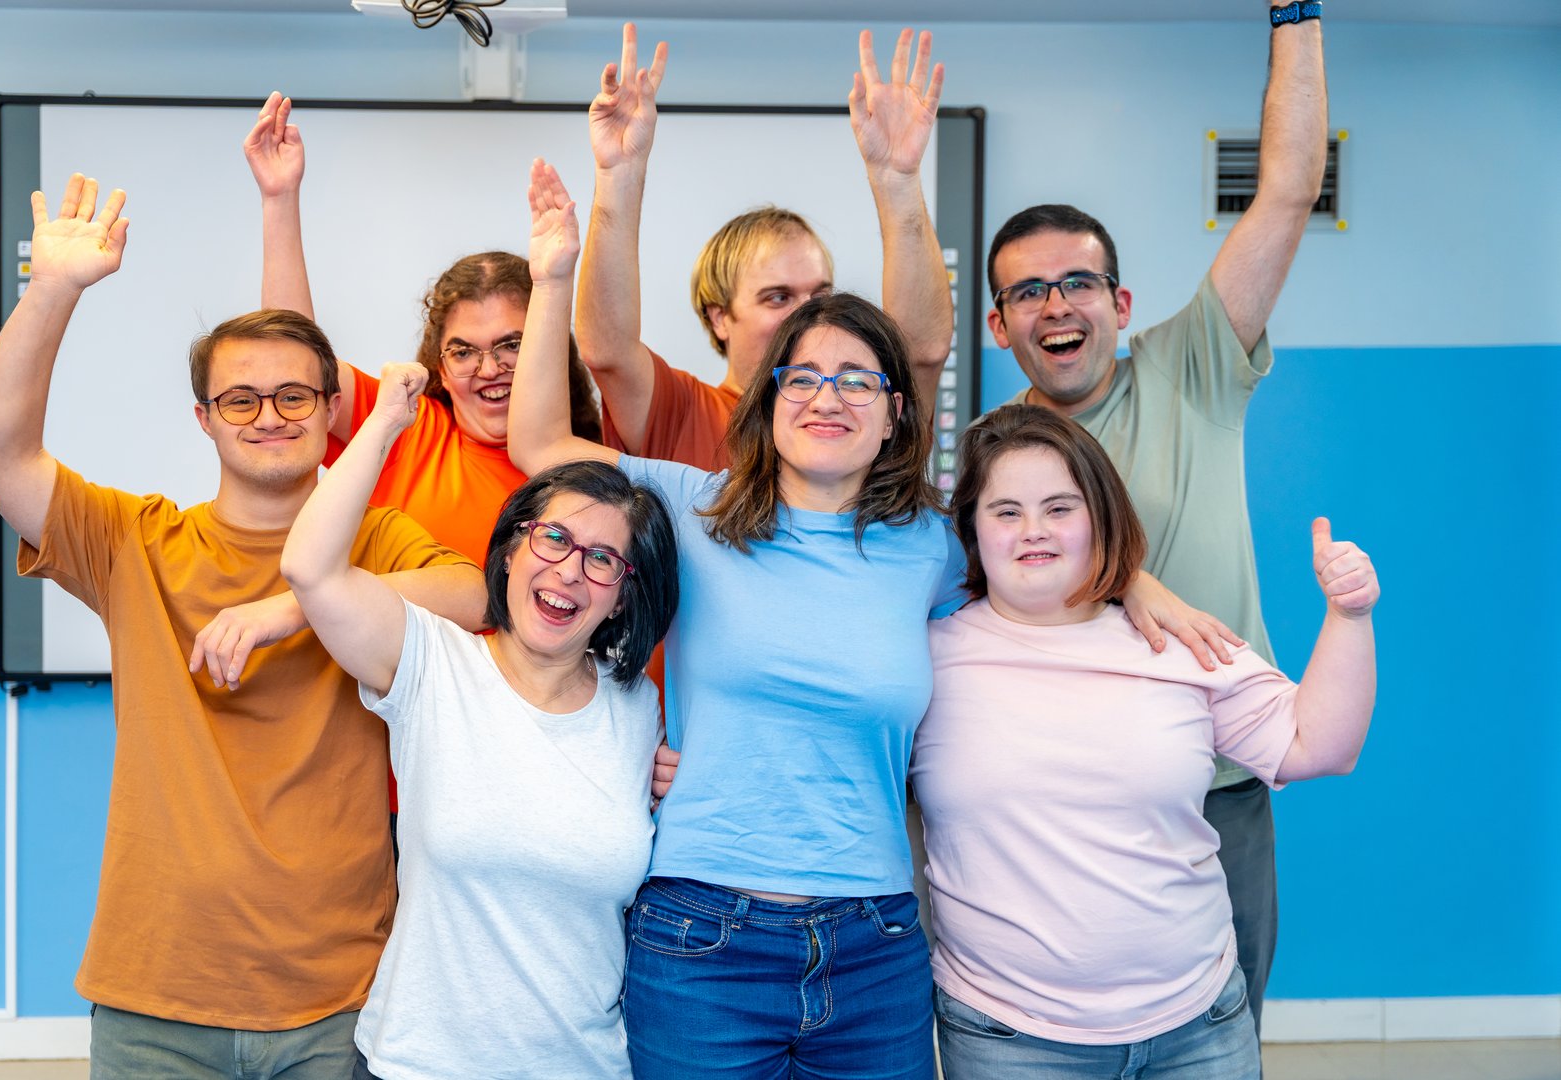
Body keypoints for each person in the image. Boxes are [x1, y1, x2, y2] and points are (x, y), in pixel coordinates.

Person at [507, 159, 1223, 1080]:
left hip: (877, 939)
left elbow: (1049, 554)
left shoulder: (930, 545)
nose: (826, 397)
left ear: (894, 414)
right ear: (769, 407)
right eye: (801, 378)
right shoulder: (694, 510)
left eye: (856, 379)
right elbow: (536, 445)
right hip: (702, 934)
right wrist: (553, 275)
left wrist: (1139, 582)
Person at [0, 174, 484, 1077]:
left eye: (294, 397)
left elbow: (474, 595)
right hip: (154, 995)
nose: (268, 417)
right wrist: (52, 290)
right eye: (240, 400)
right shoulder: (136, 541)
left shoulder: (379, 540)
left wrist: (295, 602)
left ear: (332, 417)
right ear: (204, 420)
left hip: (340, 999)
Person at [983, 3, 1330, 1029]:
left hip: (1219, 786)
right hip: (1060, 796)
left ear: (1120, 305)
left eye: (1078, 283)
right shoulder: (993, 451)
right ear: (1000, 323)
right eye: (1030, 292)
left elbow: (1288, 190)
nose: (1057, 306)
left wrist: (1295, 16)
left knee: (1219, 1039)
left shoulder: (1195, 366)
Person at [914, 404, 1377, 1079]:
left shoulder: (1175, 641)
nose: (1034, 530)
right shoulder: (924, 663)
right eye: (1005, 511)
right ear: (972, 533)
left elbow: (1318, 744)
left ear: (1099, 517)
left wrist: (1349, 615)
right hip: (1007, 1039)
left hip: (1197, 1030)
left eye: (1059, 507)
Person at [280, 359, 680, 1079]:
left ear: (622, 597)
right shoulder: (433, 664)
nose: (566, 572)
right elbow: (311, 570)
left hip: (584, 1066)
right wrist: (381, 426)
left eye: (601, 560)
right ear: (512, 549)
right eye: (552, 540)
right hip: (419, 1064)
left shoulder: (642, 711)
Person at [243, 91, 603, 563]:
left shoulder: (600, 462)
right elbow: (294, 363)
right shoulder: (408, 431)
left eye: (511, 344)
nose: (489, 368)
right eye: (463, 351)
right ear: (440, 367)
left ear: (549, 346)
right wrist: (279, 197)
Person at [576, 24, 954, 472]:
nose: (807, 312)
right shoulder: (685, 411)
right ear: (720, 317)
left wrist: (898, 181)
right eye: (778, 296)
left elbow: (922, 353)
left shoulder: (860, 413)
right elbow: (607, 351)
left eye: (820, 294)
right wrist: (618, 175)